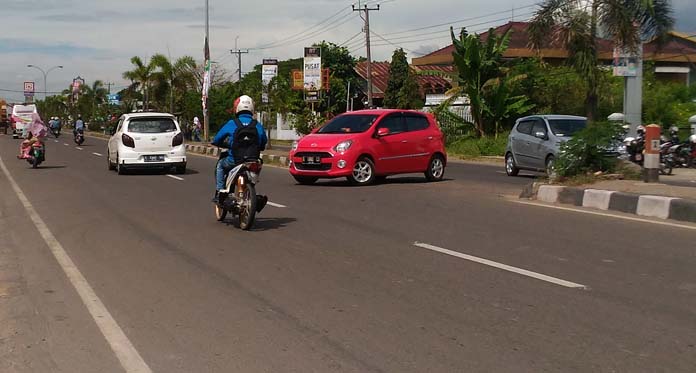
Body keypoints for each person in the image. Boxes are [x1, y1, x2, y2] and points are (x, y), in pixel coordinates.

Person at [211, 95, 267, 202]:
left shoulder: (232, 123)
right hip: (253, 161)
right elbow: (264, 141)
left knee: (220, 166)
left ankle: (220, 191)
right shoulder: (257, 125)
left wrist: (221, 143)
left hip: (234, 160)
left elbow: (217, 139)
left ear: (237, 108)